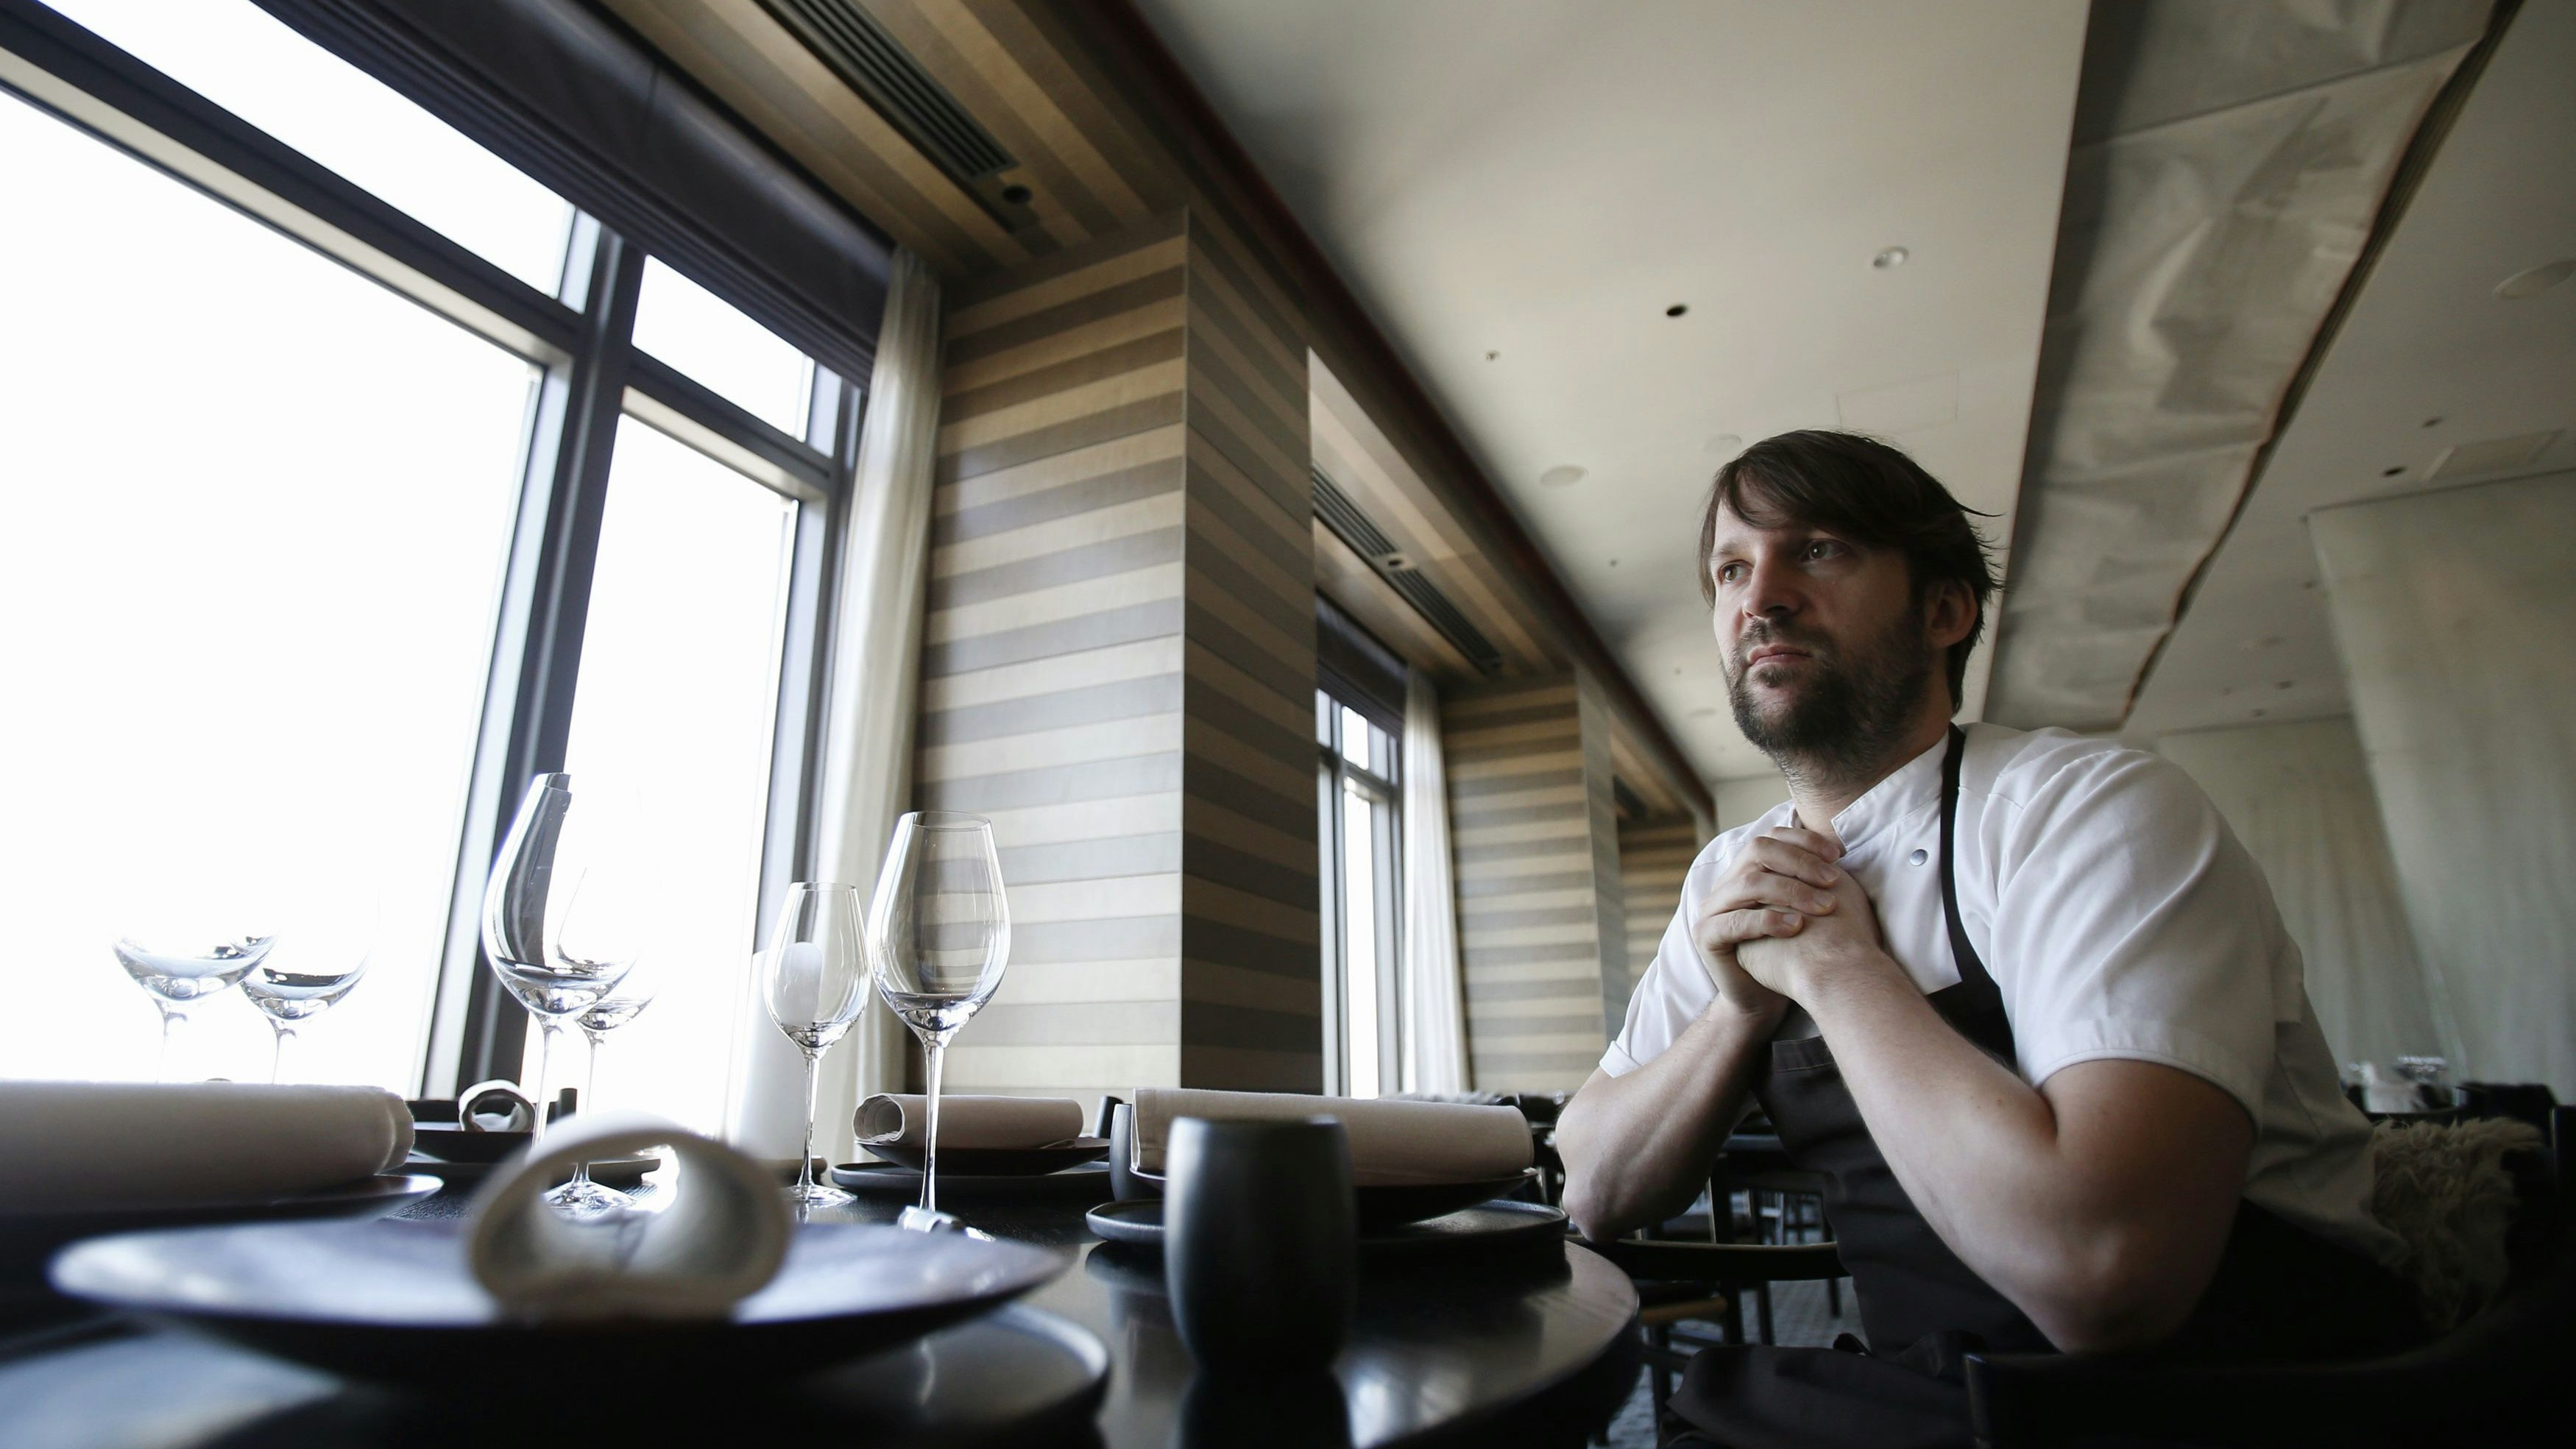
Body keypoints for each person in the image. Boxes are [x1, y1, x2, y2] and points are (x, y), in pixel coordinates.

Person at [1554, 431, 2418, 1448]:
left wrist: (1837, 969)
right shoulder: (1727, 874)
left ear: (1945, 610)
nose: (1764, 596)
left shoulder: (2088, 810)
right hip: (1939, 1387)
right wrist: (1736, 1016)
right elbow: (1594, 1185)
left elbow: (2108, 1272)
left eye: (1820, 549)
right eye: (1733, 568)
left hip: (2246, 1385)